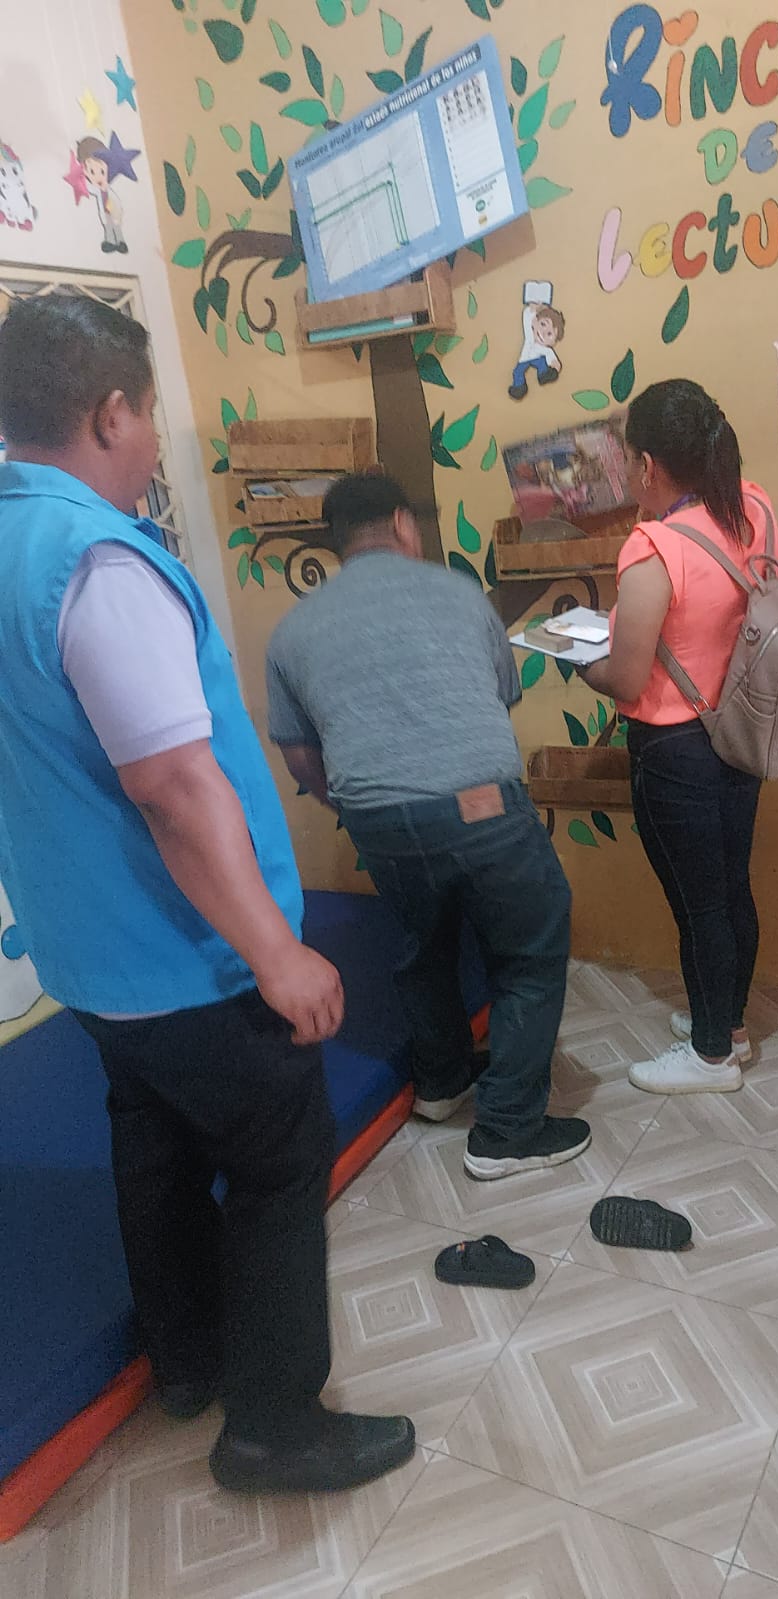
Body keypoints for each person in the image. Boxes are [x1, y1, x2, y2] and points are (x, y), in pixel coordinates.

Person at [0, 293, 413, 1495]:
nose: (147, 444)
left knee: (156, 1146)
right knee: (280, 1161)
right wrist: (277, 953)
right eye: (145, 417)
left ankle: (186, 1362)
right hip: (189, 960)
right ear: (110, 413)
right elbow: (177, 789)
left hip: (90, 962)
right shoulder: (97, 561)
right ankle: (275, 1425)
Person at [265, 473, 589, 1182]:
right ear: (401, 523)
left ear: (336, 542)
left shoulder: (293, 629)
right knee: (530, 951)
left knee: (424, 942)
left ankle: (441, 1083)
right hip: (479, 805)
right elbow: (497, 695)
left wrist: (355, 804)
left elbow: (298, 754)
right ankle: (507, 1131)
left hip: (375, 818)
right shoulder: (458, 594)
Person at [579, 379, 778, 1094]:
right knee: (729, 886)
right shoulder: (753, 506)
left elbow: (626, 678)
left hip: (675, 748)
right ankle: (728, 1024)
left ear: (645, 465)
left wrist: (578, 660)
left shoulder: (652, 548)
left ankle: (710, 1055)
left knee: (698, 905)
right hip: (743, 728)